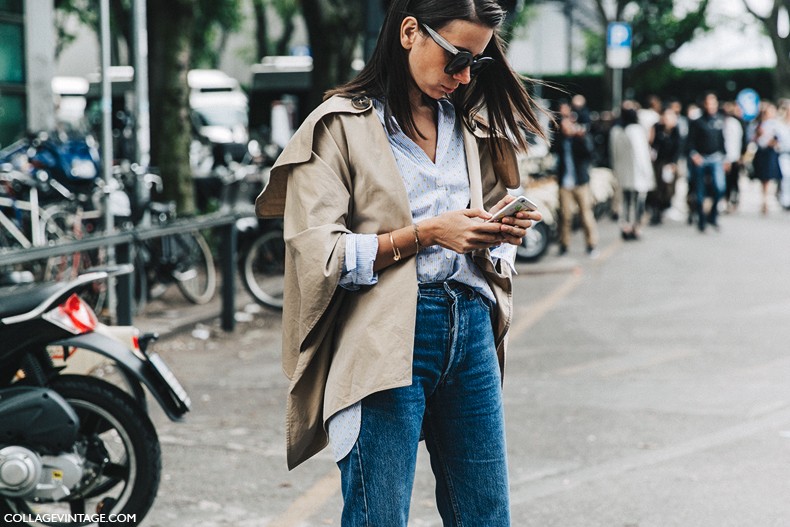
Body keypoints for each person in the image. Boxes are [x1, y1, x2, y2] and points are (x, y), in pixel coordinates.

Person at [254, 1, 544, 525]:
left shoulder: (470, 128)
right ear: (410, 31)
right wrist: (427, 233)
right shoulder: (339, 127)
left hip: (473, 331)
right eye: (456, 57)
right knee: (378, 515)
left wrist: (498, 234)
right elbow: (320, 258)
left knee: (486, 515)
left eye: (474, 64)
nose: (461, 76)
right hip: (387, 336)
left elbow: (491, 233)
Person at [551, 99, 599, 257]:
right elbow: (552, 148)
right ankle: (564, 244)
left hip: (580, 181)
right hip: (565, 182)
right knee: (565, 216)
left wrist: (579, 137)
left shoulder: (580, 138)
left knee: (586, 214)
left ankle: (591, 244)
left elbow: (589, 153)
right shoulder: (560, 139)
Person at [610, 106, 655, 239]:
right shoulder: (636, 130)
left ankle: (625, 226)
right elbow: (642, 155)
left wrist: (616, 170)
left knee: (625, 201)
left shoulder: (616, 131)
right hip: (637, 174)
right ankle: (635, 227)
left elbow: (613, 153)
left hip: (623, 173)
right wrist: (648, 173)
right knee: (638, 202)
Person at [687, 92, 727, 232]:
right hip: (701, 158)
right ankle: (701, 219)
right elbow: (690, 142)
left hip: (716, 158)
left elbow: (722, 141)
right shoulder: (697, 122)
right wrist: (694, 155)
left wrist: (725, 157)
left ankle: (713, 215)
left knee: (719, 188)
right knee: (699, 192)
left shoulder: (719, 120)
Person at [647, 105, 681, 225]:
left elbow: (678, 148)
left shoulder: (676, 130)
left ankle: (665, 206)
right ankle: (656, 211)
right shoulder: (657, 128)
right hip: (659, 162)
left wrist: (673, 163)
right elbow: (653, 144)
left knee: (669, 187)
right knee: (657, 187)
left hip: (670, 162)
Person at [748, 101, 782, 214]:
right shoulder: (758, 124)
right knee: (762, 177)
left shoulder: (775, 124)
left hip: (770, 152)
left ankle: (766, 199)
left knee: (769, 177)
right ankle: (764, 199)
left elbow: (779, 139)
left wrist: (773, 142)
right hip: (761, 152)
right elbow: (752, 138)